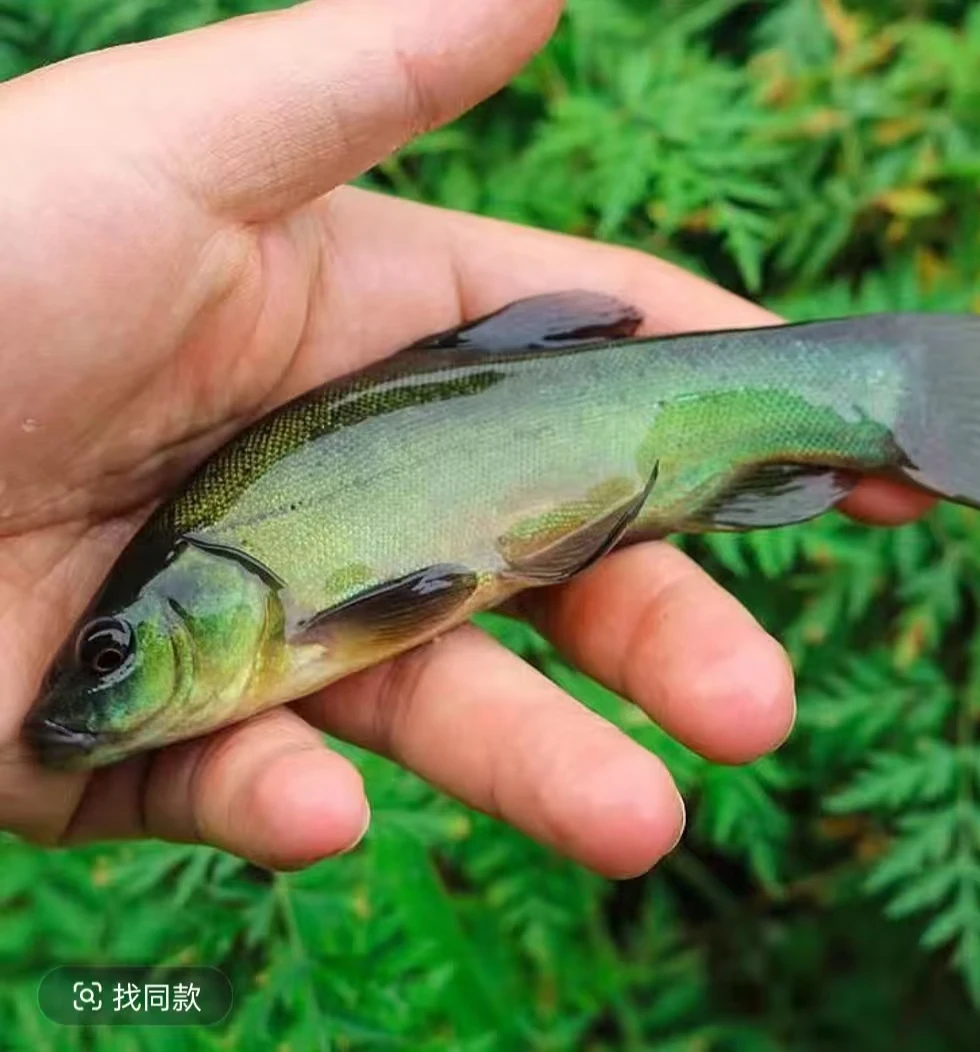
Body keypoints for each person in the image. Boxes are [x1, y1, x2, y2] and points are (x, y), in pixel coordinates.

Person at [0, 0, 931, 877]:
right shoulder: (228, 583)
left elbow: (427, 594)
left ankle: (910, 391)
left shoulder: (282, 614)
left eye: (108, 654)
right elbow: (434, 590)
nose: (87, 695)